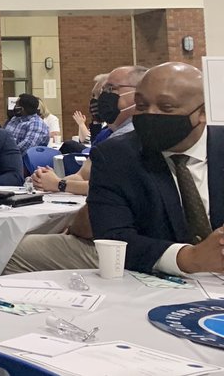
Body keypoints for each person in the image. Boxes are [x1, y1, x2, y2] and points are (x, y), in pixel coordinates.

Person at [88, 62, 224, 275]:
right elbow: (113, 238)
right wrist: (188, 258)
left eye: (166, 107)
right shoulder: (115, 157)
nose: (151, 114)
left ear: (203, 112)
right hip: (160, 285)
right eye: (141, 106)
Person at [92, 65, 147, 143]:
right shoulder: (111, 132)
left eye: (110, 88)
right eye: (103, 90)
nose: (104, 95)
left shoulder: (125, 140)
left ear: (138, 92)